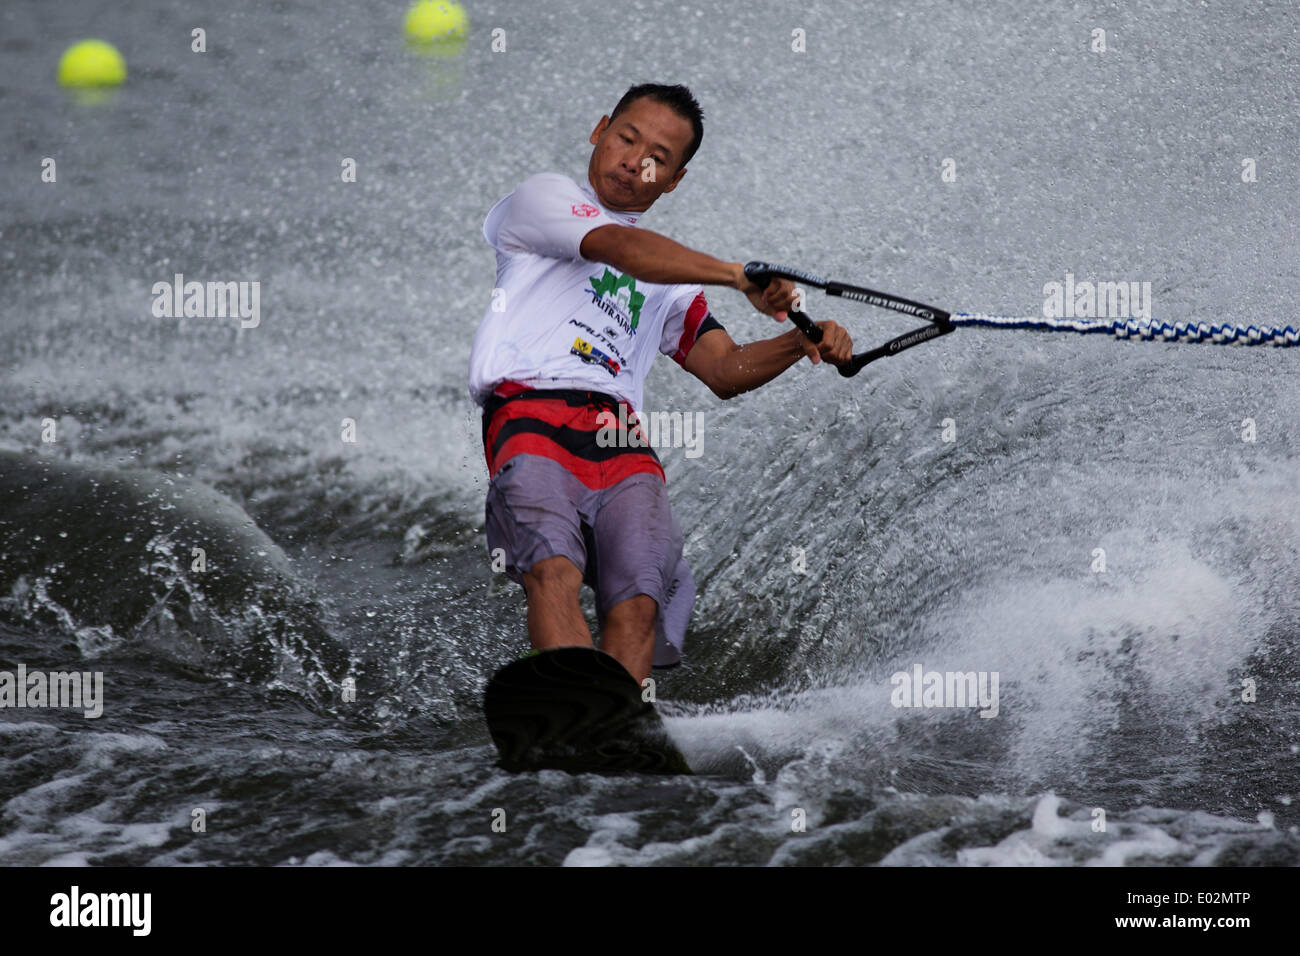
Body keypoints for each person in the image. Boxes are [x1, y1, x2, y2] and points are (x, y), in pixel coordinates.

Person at [468, 82, 852, 687]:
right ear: (600, 131)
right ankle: (573, 704)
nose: (634, 160)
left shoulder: (675, 286)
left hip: (621, 438)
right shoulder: (544, 200)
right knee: (553, 568)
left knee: (640, 597)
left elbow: (725, 370)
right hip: (530, 414)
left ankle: (619, 729)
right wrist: (737, 275)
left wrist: (800, 340)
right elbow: (623, 248)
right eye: (627, 138)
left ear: (673, 181)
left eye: (659, 158)